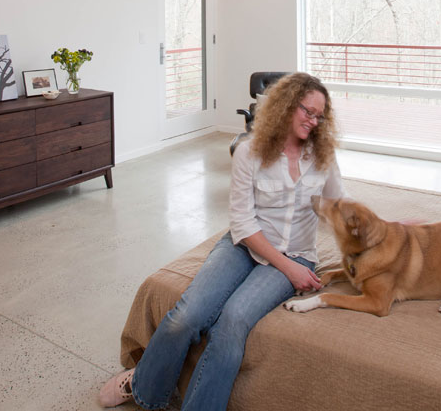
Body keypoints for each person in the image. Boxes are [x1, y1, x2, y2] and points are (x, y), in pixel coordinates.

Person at [98, 72, 343, 410]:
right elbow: (242, 223)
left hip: (297, 254)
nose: (314, 121)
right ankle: (144, 387)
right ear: (287, 106)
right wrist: (288, 269)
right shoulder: (249, 151)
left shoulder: (322, 156)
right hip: (246, 245)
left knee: (233, 321)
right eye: (307, 111)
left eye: (320, 115)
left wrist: (388, 229)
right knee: (188, 315)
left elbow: (338, 206)